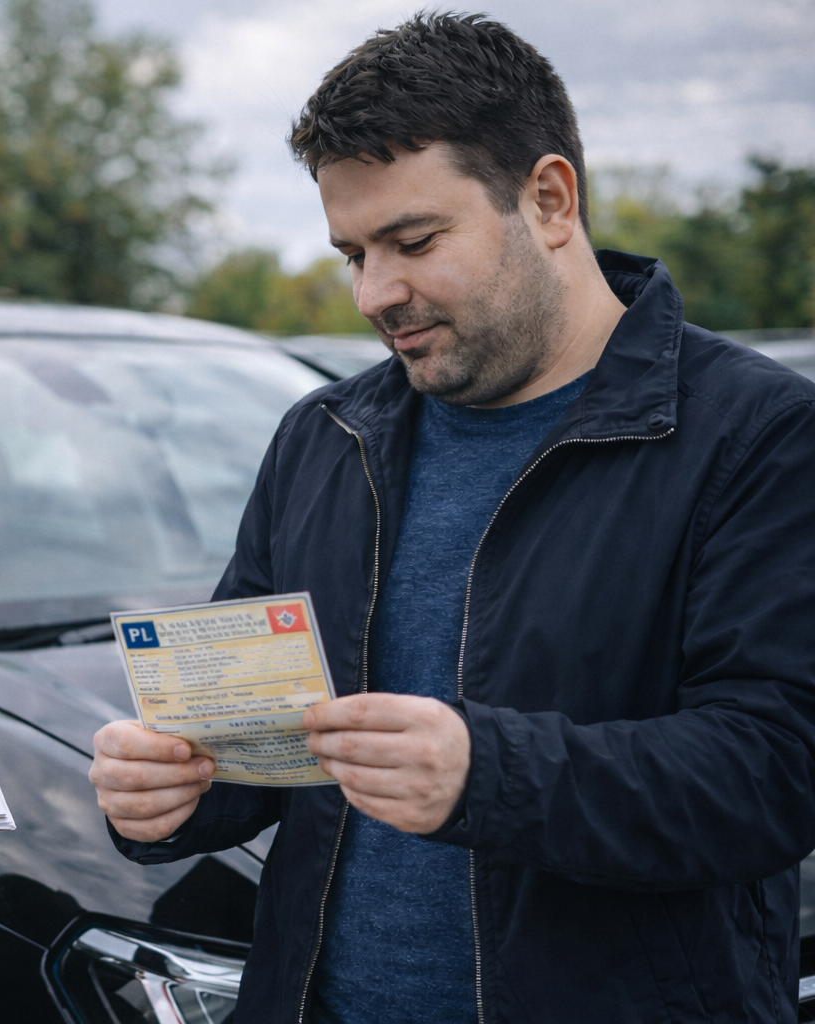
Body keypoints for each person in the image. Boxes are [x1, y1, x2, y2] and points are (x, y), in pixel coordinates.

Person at [89, 13, 815, 1024]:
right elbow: (259, 736)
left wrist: (487, 773)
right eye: (352, 253)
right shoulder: (323, 436)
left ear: (549, 200)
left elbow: (777, 770)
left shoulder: (759, 434)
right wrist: (171, 791)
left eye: (414, 242)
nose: (374, 293)